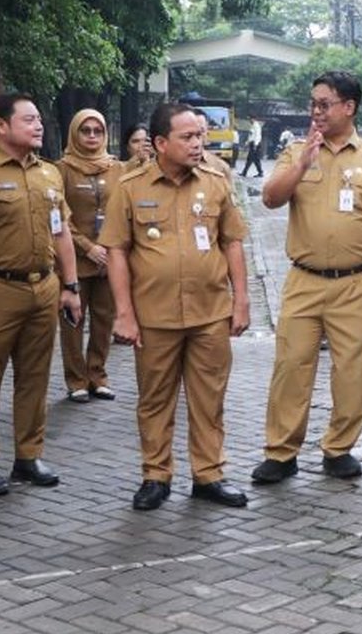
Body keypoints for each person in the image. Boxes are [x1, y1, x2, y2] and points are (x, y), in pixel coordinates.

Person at [253, 71, 362, 483]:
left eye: (324, 104)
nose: (316, 112)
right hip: (303, 280)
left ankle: (339, 448)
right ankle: (281, 452)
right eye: (313, 104)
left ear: (349, 107)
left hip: (357, 283)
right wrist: (304, 161)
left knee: (353, 370)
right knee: (291, 366)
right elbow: (270, 199)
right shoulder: (295, 152)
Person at [101, 102, 252, 511]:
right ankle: (156, 475)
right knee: (155, 399)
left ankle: (209, 474)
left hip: (210, 314)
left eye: (199, 135)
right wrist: (125, 314)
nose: (197, 143)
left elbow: (232, 242)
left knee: (209, 398)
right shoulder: (130, 187)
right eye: (187, 137)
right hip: (154, 317)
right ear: (160, 143)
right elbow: (116, 251)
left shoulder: (215, 182)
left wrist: (241, 300)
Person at [0, 92, 82, 496]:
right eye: (28, 119)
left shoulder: (49, 173)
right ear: (0, 125)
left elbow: (61, 232)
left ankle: (28, 456)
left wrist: (70, 286)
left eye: (39, 119)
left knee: (34, 377)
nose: (39, 125)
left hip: (43, 287)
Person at [56, 109, 124, 403]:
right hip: (76, 260)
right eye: (86, 131)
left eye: (98, 131)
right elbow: (58, 218)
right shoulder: (62, 169)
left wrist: (110, 247)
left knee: (104, 320)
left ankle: (98, 375)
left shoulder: (118, 169)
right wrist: (87, 247)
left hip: (109, 260)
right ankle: (76, 379)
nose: (93, 137)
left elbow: (124, 212)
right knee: (73, 320)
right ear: (74, 133)